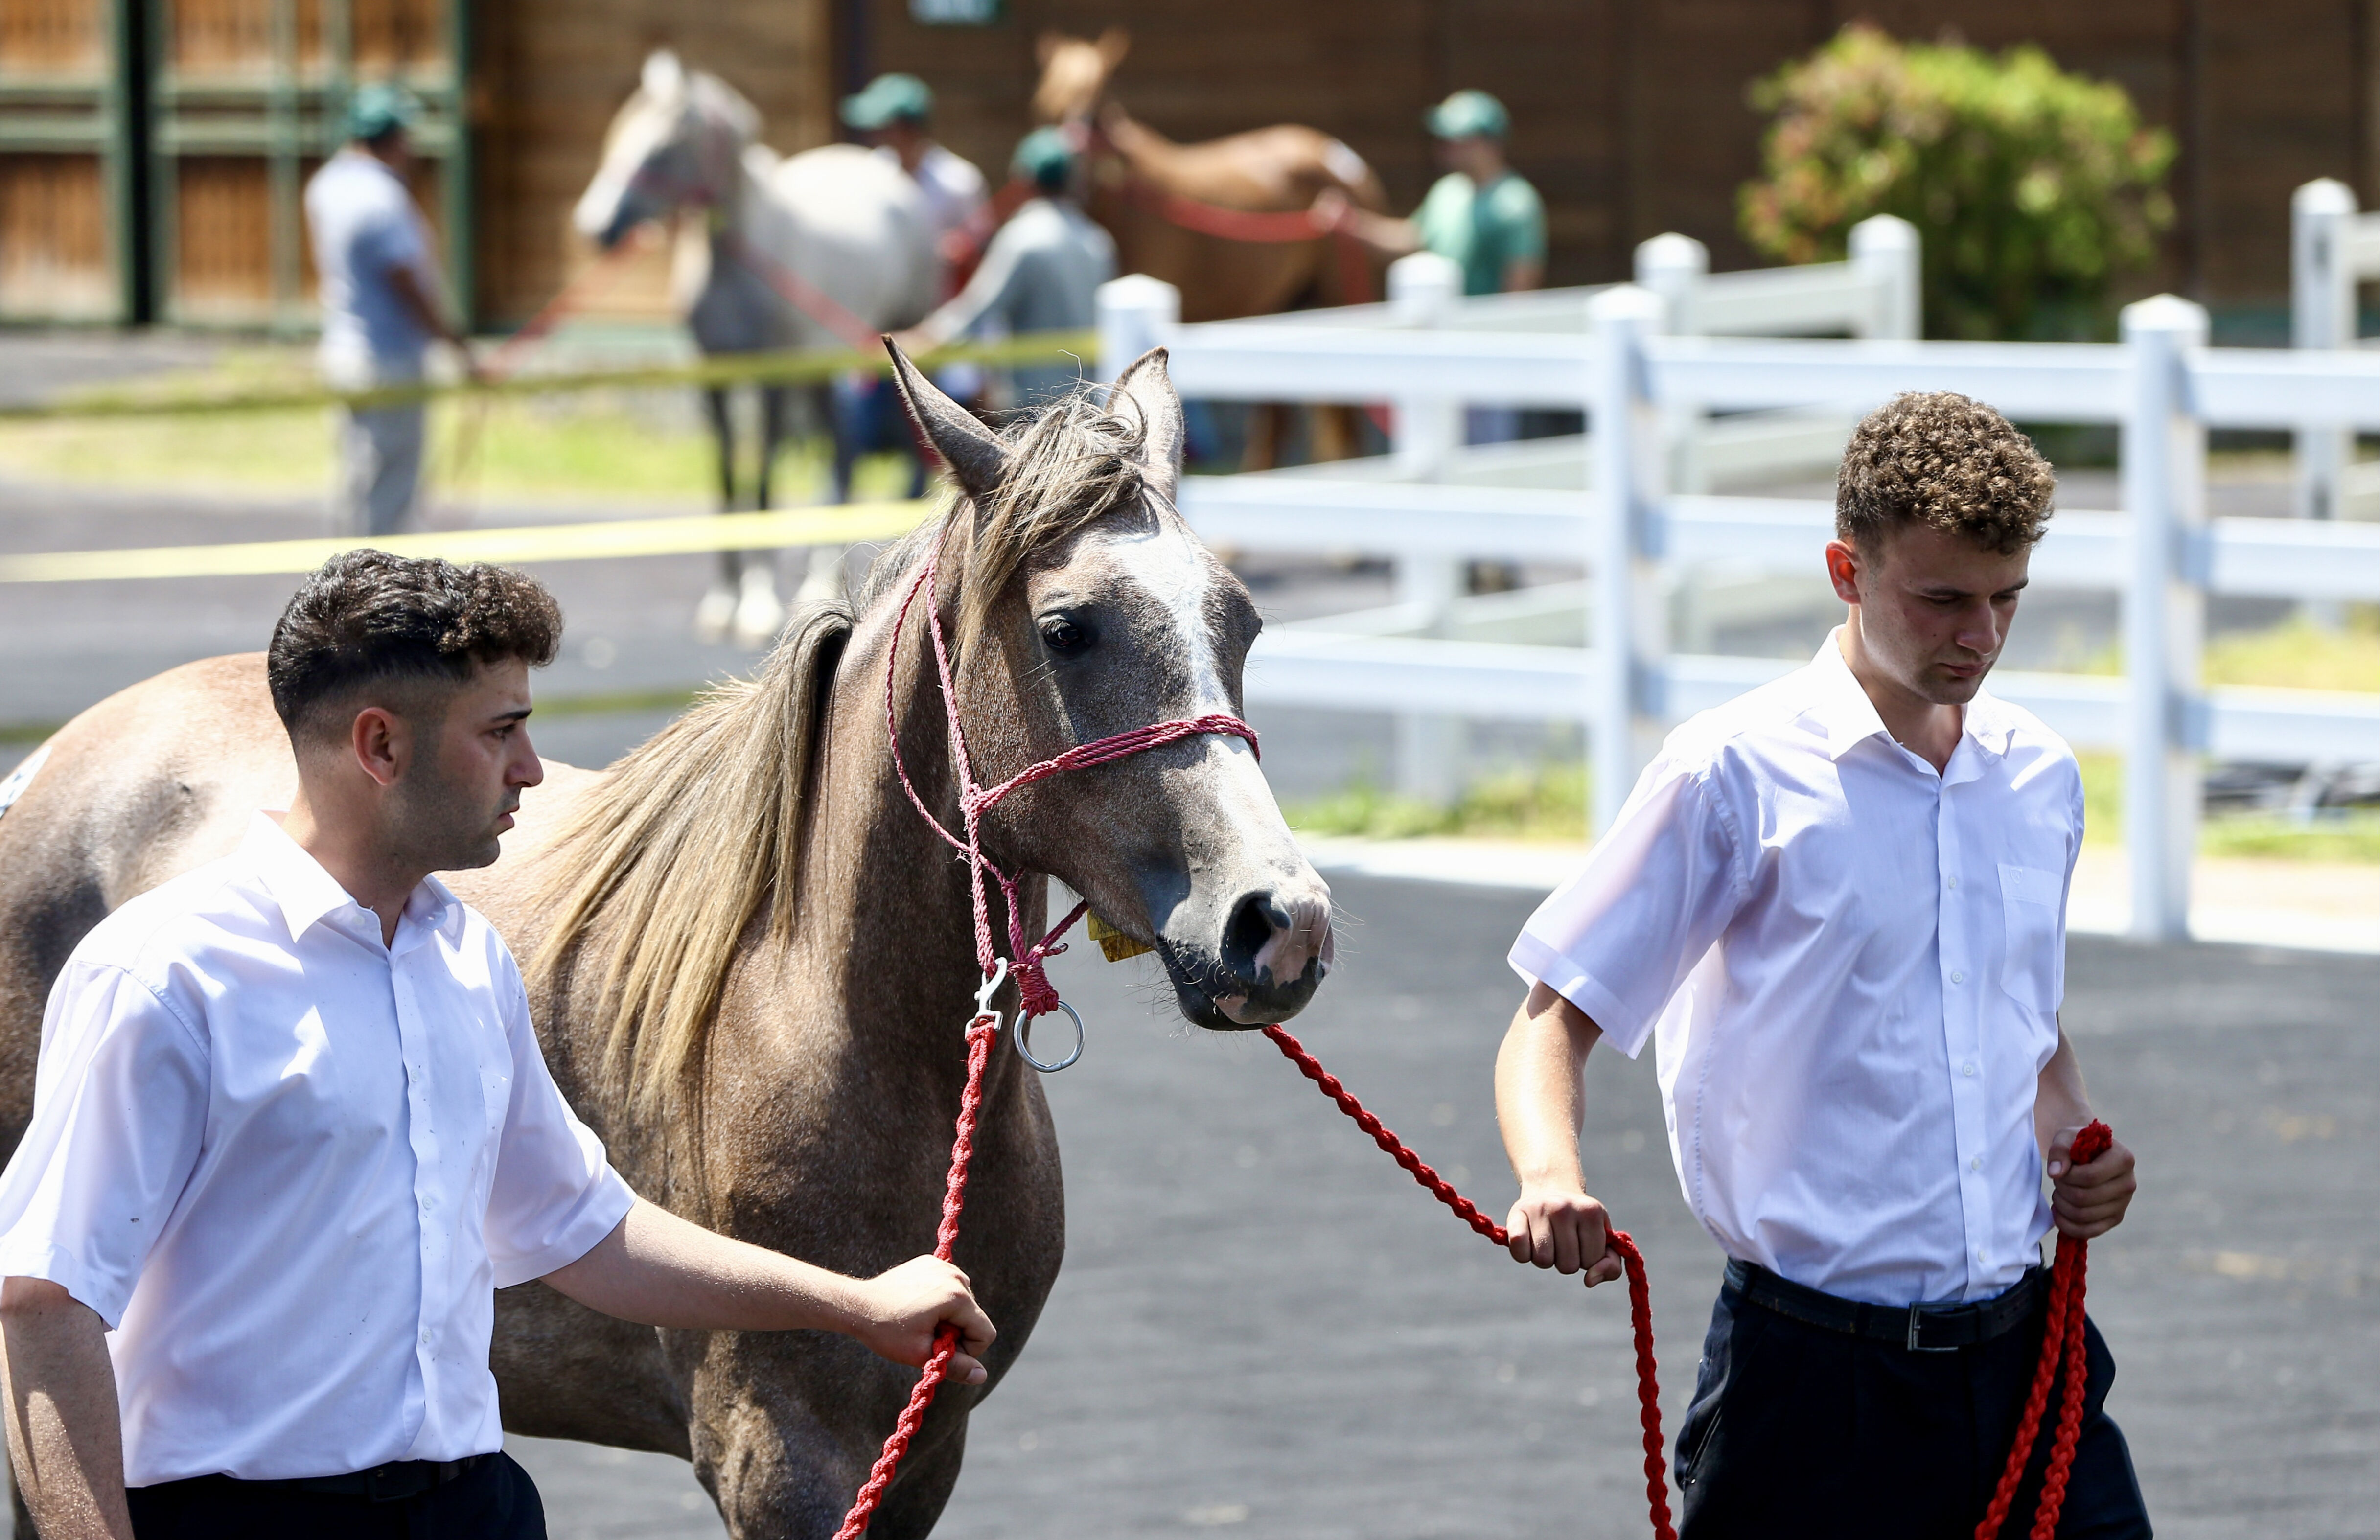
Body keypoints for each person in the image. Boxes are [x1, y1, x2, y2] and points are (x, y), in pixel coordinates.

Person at [0, 552, 995, 1540]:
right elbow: (46, 1303)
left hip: (466, 1503)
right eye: (501, 731)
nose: (530, 766)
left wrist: (854, 1304)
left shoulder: (466, 957)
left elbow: (586, 1230)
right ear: (380, 747)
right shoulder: (161, 974)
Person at [1493, 392, 2148, 1538]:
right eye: (1942, 599)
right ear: (1846, 569)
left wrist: (2073, 1129)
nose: (1979, 638)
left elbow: (2017, 1013)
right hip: (1809, 1390)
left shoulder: (2036, 775)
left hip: (2024, 1365)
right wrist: (1548, 1173)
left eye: (2005, 602)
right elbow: (1551, 1018)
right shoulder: (1726, 774)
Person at [303, 84, 474, 538]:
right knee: (391, 485)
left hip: (343, 349)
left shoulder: (327, 185)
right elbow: (407, 283)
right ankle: (377, 593)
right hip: (388, 358)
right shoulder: (381, 198)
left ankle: (346, 579)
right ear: (393, 138)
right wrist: (454, 342)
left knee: (357, 474)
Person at [895, 127, 1115, 413]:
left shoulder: (1022, 239)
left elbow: (976, 313)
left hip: (1035, 408)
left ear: (1023, 179)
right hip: (1089, 404)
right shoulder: (1098, 242)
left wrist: (918, 341)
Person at [839, 72, 989, 300]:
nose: (878, 137)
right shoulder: (870, 173)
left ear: (910, 129)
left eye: (886, 128)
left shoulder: (960, 182)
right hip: (885, 303)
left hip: (942, 307)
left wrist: (960, 249)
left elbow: (980, 251)